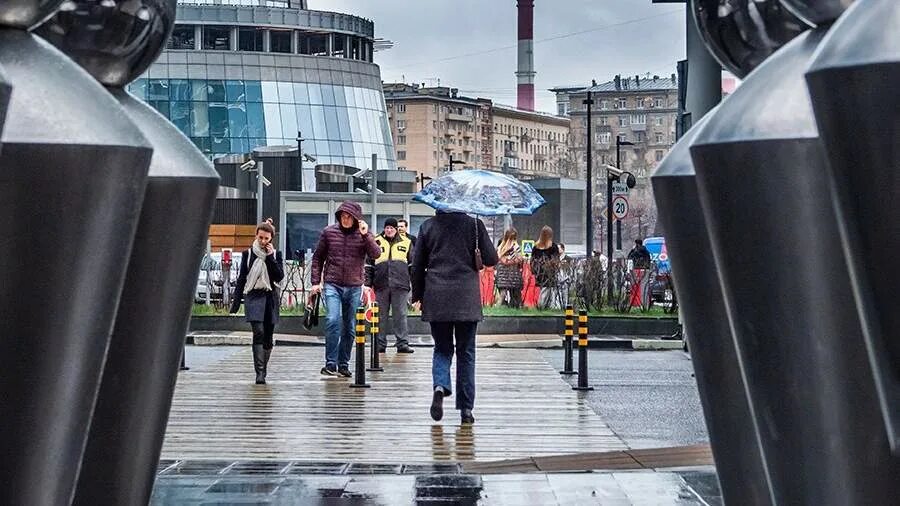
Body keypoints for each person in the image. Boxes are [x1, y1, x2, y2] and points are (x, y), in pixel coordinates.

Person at [411, 210, 498, 425]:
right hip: (466, 299)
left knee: (442, 348)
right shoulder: (474, 225)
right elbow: (491, 259)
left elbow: (417, 265)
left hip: (437, 297)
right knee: (466, 353)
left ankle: (440, 386)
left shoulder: (428, 226)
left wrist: (418, 296)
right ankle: (466, 410)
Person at [310, 201, 381, 377]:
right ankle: (330, 363)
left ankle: (343, 363)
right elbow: (317, 258)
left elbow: (376, 254)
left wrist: (366, 236)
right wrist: (315, 282)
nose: (345, 219)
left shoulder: (363, 234)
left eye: (349, 216)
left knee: (350, 326)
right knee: (333, 320)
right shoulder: (329, 232)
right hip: (332, 283)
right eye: (342, 216)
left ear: (356, 218)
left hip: (355, 285)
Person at [230, 222, 285, 385]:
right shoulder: (247, 254)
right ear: (256, 236)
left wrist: (270, 258)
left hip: (270, 297)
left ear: (271, 239)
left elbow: (279, 277)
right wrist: (236, 301)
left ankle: (264, 368)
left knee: (268, 336)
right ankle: (259, 373)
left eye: (266, 238)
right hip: (253, 296)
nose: (262, 241)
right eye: (260, 237)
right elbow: (241, 279)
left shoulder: (276, 254)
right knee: (258, 331)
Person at [367, 218, 415, 353]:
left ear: (396, 229)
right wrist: (367, 284)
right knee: (380, 316)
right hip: (381, 284)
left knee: (400, 315)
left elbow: (413, 266)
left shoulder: (407, 242)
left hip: (400, 285)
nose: (389, 230)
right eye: (387, 227)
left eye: (391, 228)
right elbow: (369, 265)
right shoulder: (376, 242)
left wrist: (415, 284)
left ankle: (402, 343)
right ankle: (380, 343)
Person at [530, 226, 560, 309]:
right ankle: (541, 305)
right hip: (549, 272)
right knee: (547, 289)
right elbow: (556, 260)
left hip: (539, 272)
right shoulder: (553, 247)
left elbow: (532, 260)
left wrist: (534, 271)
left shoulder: (535, 247)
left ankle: (543, 306)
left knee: (543, 288)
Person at [494, 228, 524, 308]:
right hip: (513, 273)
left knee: (502, 294)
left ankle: (498, 309)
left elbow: (499, 260)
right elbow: (520, 259)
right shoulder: (516, 246)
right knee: (515, 294)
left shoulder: (500, 247)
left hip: (502, 274)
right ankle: (516, 308)